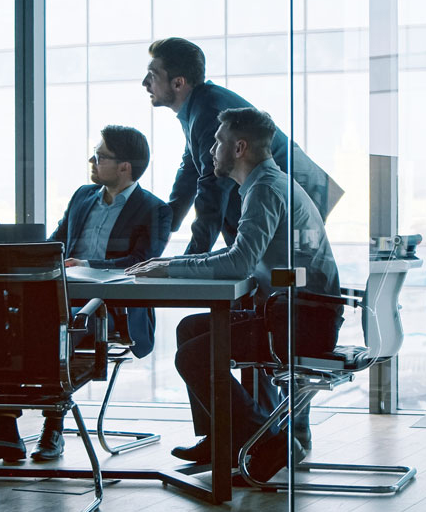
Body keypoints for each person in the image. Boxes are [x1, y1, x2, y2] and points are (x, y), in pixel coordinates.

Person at [141, 36, 342, 449]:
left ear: (238, 147)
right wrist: (165, 247)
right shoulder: (207, 122)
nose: (145, 82)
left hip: (298, 314)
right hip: (288, 302)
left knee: (197, 354)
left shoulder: (259, 182)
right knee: (192, 330)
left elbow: (210, 199)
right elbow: (192, 175)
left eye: (153, 75)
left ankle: (267, 442)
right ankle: (226, 438)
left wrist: (178, 264)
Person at [0, 125, 173, 465]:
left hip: (110, 307)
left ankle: (51, 428)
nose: (92, 160)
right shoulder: (81, 197)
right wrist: (16, 254)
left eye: (100, 156)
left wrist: (87, 264)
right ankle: (5, 433)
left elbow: (141, 263)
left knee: (54, 329)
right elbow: (55, 243)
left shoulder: (154, 209)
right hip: (60, 297)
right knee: (5, 321)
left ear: (124, 167)